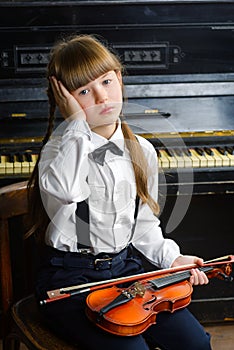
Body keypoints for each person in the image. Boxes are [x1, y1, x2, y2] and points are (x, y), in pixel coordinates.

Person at [27, 34, 212, 350]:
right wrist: (74, 123)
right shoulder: (59, 152)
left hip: (127, 272)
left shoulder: (142, 151)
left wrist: (173, 258)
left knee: (195, 343)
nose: (102, 98)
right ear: (66, 100)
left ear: (120, 79)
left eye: (107, 82)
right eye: (84, 91)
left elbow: (143, 227)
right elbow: (67, 191)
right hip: (71, 279)